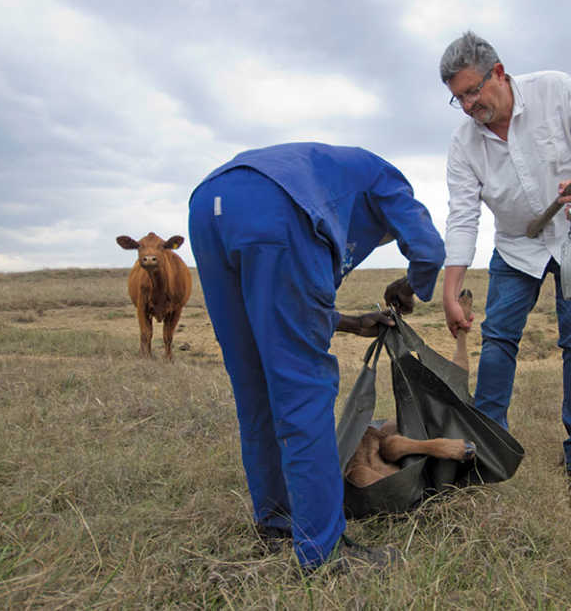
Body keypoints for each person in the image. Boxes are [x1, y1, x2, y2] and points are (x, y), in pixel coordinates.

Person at [188, 142, 445, 571]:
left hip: (209, 205)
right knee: (303, 392)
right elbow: (429, 249)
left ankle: (275, 522)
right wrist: (414, 284)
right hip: (278, 206)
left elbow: (281, 310)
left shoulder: (329, 176)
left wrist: (345, 321)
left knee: (255, 387)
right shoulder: (386, 178)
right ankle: (323, 552)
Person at [438, 31, 571, 510]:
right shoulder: (464, 145)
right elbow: (463, 214)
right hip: (517, 247)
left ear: (498, 73)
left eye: (472, 91)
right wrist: (451, 287)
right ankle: (487, 447)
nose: (466, 105)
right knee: (499, 338)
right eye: (457, 97)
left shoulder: (555, 90)